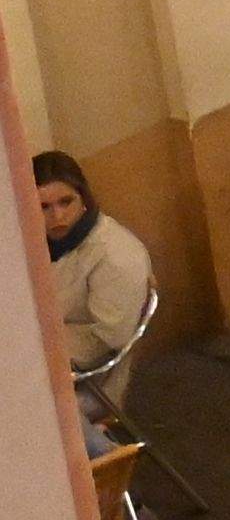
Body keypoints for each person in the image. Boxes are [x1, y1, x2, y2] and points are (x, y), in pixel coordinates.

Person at [32, 151, 152, 388]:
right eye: (43, 207)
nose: (57, 216)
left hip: (83, 382)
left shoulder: (115, 253)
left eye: (66, 202)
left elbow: (108, 339)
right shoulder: (42, 243)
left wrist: (28, 344)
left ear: (84, 199)